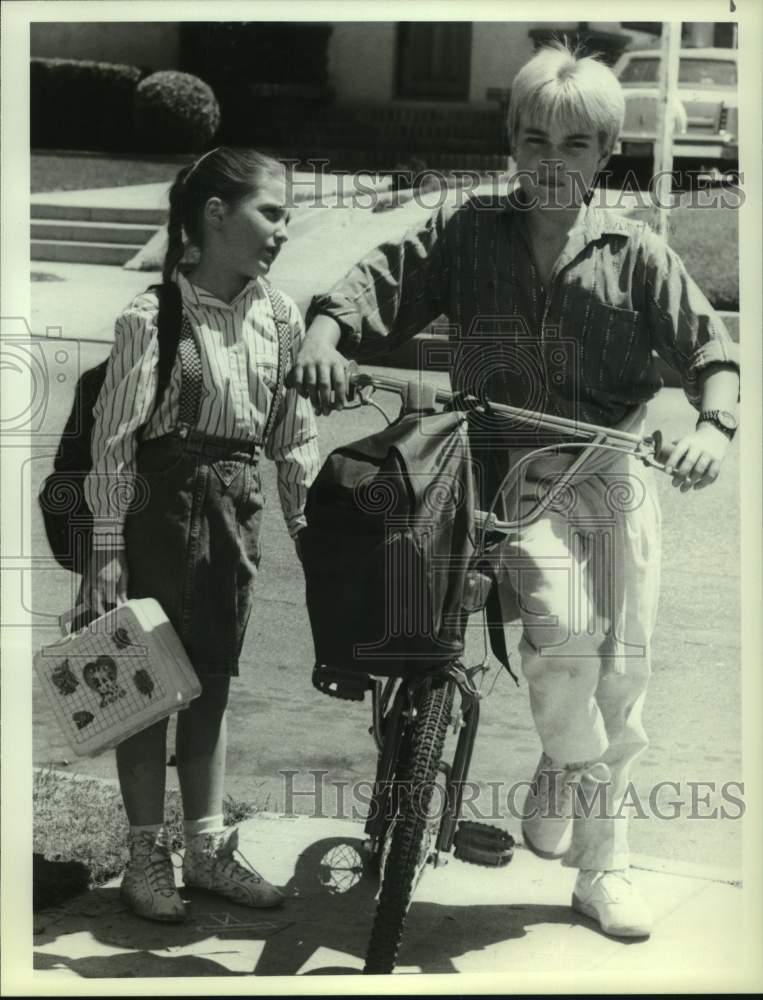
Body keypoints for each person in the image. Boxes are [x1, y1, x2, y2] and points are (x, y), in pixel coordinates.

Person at [290, 44, 740, 939]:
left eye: (573, 145)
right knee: (559, 623)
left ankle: (600, 868)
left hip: (607, 475)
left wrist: (711, 428)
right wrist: (326, 336)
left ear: (602, 153)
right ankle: (574, 765)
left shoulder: (635, 252)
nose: (549, 160)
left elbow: (709, 354)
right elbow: (376, 283)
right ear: (510, 141)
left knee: (625, 671)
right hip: (498, 476)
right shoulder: (466, 232)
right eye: (533, 138)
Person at [84, 147, 320, 923]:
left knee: (212, 682)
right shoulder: (152, 318)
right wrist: (107, 555)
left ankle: (208, 849)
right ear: (215, 214)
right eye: (271, 212)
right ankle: (146, 855)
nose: (283, 231)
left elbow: (292, 436)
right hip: (156, 513)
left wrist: (310, 528)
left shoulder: (281, 319)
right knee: (146, 690)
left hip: (232, 517)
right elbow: (113, 443)